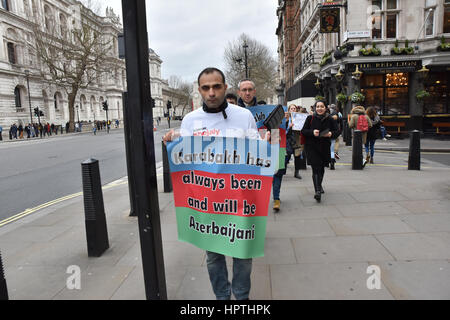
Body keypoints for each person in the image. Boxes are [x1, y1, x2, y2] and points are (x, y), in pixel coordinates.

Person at [163, 67, 262, 300]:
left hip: (240, 199)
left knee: (243, 254)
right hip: (208, 203)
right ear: (199, 90)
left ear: (225, 87)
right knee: (214, 257)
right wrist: (172, 143)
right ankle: (222, 297)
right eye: (206, 88)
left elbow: (257, 155)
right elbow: (186, 162)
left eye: (216, 86)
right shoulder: (190, 120)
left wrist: (265, 147)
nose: (211, 92)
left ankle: (241, 297)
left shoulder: (244, 116)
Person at [301, 100, 339, 203]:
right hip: (312, 147)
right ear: (315, 108)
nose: (319, 108)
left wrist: (331, 133)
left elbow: (337, 131)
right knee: (315, 168)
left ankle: (319, 185)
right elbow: (303, 131)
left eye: (321, 106)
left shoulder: (330, 119)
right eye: (317, 106)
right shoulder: (310, 118)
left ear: (325, 108)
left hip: (324, 147)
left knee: (321, 168)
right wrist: (312, 132)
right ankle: (317, 191)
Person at [286, 104, 302, 179]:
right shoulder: (285, 118)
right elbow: (283, 130)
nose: (293, 110)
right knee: (287, 156)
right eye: (291, 108)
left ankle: (297, 172)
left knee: (297, 157)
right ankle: (283, 169)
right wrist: (289, 126)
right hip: (288, 140)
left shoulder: (299, 118)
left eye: (294, 108)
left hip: (296, 140)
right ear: (289, 110)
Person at [328, 104, 342, 170]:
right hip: (334, 133)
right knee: (332, 148)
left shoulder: (327, 114)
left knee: (328, 148)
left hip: (327, 133)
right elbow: (340, 123)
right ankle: (332, 160)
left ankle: (330, 160)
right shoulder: (338, 114)